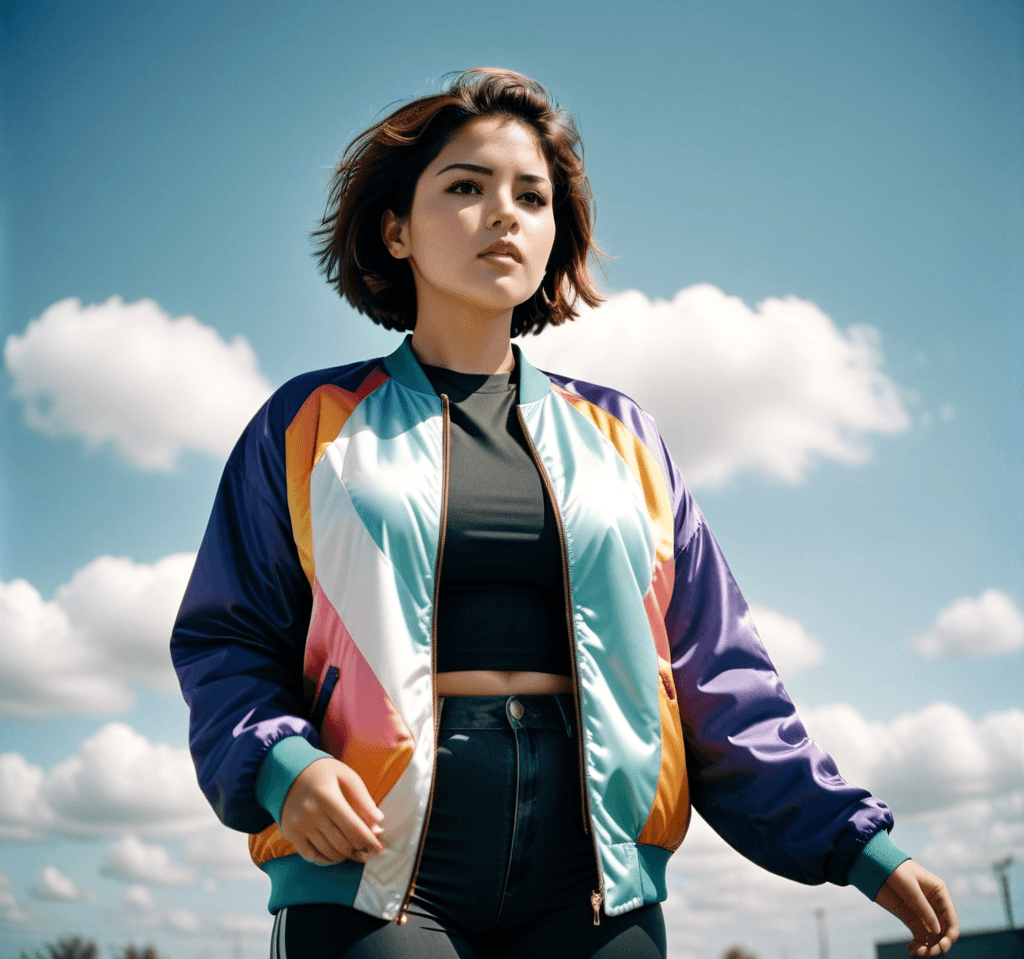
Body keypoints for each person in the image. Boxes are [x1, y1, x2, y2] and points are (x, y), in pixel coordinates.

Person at [170, 68, 960, 959]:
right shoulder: (307, 425)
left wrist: (856, 843)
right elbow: (225, 642)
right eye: (465, 187)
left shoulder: (627, 438)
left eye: (531, 196)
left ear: (554, 235)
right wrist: (283, 766)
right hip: (372, 871)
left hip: (595, 884)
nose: (503, 213)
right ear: (395, 230)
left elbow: (718, 676)